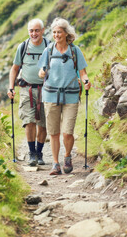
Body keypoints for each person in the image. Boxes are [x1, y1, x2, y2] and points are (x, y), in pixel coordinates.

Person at [38, 17, 91, 175]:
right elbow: (41, 71)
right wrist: (42, 72)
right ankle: (55, 164)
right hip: (51, 95)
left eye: (59, 32)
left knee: (67, 132)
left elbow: (83, 73)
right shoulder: (48, 50)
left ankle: (67, 156)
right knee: (53, 133)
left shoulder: (75, 51)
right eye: (54, 32)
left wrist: (86, 81)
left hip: (71, 96)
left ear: (66, 33)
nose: (56, 35)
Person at [7, 19, 50, 166]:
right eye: (31, 31)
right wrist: (11, 87)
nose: (34, 33)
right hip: (27, 89)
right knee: (29, 121)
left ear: (42, 31)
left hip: (46, 89)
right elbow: (14, 69)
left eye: (37, 30)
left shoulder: (49, 46)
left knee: (43, 123)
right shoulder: (23, 47)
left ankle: (39, 153)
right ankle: (32, 153)